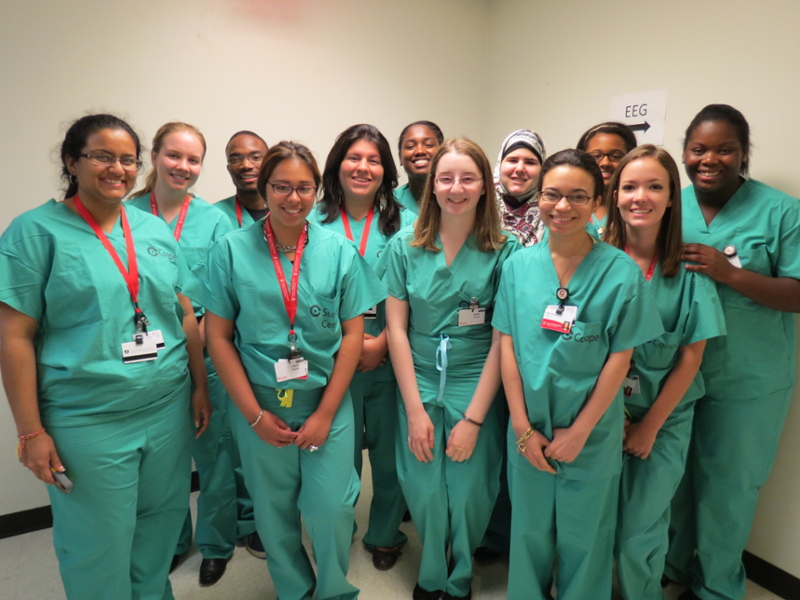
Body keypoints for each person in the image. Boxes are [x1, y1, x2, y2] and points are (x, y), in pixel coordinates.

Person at [0, 114, 210, 600]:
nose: (117, 168)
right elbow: (14, 336)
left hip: (166, 410)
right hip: (88, 419)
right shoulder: (35, 234)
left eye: (127, 159)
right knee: (98, 544)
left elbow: (181, 311)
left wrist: (199, 387)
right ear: (72, 161)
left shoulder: (151, 229)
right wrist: (30, 432)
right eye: (102, 156)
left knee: (158, 530)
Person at [204, 141, 386, 600]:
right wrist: (254, 416)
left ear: (317, 190)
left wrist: (326, 412)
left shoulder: (338, 250)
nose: (293, 198)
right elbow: (218, 338)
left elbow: (352, 336)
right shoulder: (230, 250)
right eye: (281, 186)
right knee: (273, 510)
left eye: (304, 187)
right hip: (261, 402)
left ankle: (333, 590)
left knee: (331, 507)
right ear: (264, 188)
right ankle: (294, 590)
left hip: (327, 401)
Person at [493, 148, 663, 600]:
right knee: (528, 534)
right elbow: (506, 345)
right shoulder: (517, 266)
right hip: (527, 426)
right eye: (552, 194)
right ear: (538, 198)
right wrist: (520, 425)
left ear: (597, 202)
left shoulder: (620, 273)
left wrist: (580, 431)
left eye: (577, 196)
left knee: (585, 540)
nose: (562, 206)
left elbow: (619, 359)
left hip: (590, 433)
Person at [664, 105, 800, 600]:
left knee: (729, 490)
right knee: (671, 482)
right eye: (699, 148)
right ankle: (672, 570)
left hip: (749, 378)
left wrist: (730, 274)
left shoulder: (782, 211)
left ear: (743, 153)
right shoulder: (668, 206)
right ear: (684, 152)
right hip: (676, 370)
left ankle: (717, 587)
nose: (710, 159)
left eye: (725, 149)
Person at [384, 137, 518, 600]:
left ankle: (460, 577)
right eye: (446, 178)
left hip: (477, 378)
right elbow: (396, 331)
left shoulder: (505, 250)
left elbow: (504, 339)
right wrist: (415, 409)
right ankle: (432, 573)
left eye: (468, 178)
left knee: (469, 490)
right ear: (431, 187)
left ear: (485, 186)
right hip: (418, 376)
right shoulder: (404, 246)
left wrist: (475, 418)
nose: (455, 188)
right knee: (421, 485)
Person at [602, 145, 725, 600]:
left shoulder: (690, 270)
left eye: (655, 186)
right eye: (629, 186)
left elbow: (691, 356)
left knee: (639, 527)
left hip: (663, 417)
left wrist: (649, 425)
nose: (641, 197)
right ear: (614, 194)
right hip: (599, 414)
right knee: (590, 519)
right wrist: (612, 417)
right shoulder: (593, 259)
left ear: (673, 197)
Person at [128, 122, 249, 585]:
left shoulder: (215, 220)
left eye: (193, 159)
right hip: (146, 358)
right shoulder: (126, 213)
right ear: (154, 156)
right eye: (174, 156)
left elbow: (224, 288)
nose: (183, 167)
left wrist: (203, 328)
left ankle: (216, 544)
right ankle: (172, 542)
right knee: (160, 461)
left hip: (206, 351)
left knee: (215, 455)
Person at [310, 124, 416, 571]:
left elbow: (419, 293)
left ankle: (386, 533)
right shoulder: (310, 221)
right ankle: (340, 528)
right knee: (341, 456)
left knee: (392, 457)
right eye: (354, 157)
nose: (363, 167)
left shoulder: (408, 223)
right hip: (334, 358)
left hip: (393, 354)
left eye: (373, 160)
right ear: (337, 165)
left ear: (385, 171)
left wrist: (385, 343)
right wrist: (349, 348)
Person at [576, 122, 637, 238]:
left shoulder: (635, 206)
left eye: (616, 156)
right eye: (596, 156)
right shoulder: (568, 205)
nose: (605, 163)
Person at [493, 129, 547, 247]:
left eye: (530, 162)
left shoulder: (551, 211)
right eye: (512, 160)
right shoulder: (479, 204)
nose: (520, 169)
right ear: (499, 164)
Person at [215, 130, 270, 228]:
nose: (246, 165)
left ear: (269, 164)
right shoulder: (214, 216)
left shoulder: (290, 212)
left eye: (255, 157)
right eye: (236, 159)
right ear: (229, 169)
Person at [394, 120, 444, 215]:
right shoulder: (390, 203)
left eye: (428, 144)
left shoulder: (456, 197)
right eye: (410, 146)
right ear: (400, 157)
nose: (420, 151)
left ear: (443, 153)